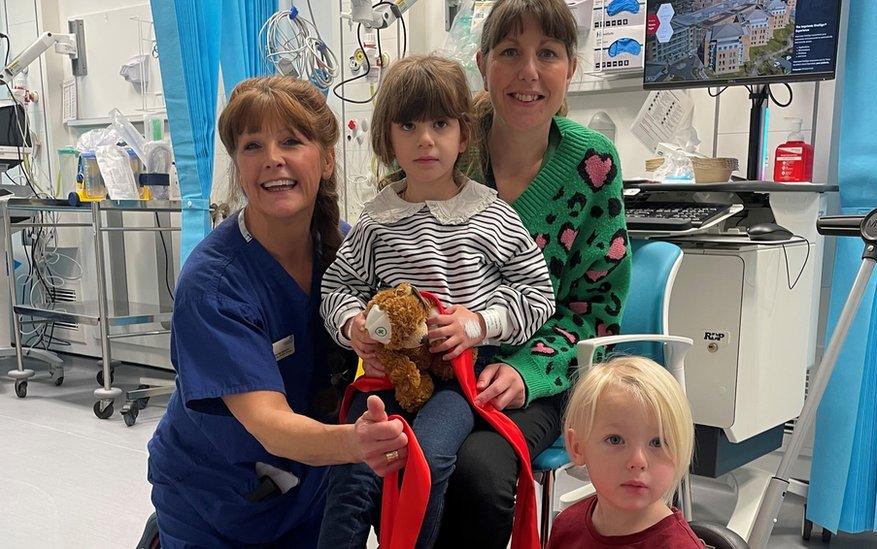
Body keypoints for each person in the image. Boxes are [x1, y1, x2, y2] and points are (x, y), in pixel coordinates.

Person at [146, 75, 409, 548]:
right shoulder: (214, 284)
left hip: (308, 488)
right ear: (237, 165)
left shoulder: (347, 252)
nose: (272, 158)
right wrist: (358, 443)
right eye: (252, 146)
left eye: (291, 141)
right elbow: (269, 424)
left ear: (327, 159)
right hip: (215, 502)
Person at [317, 54, 556, 549]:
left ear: (462, 137)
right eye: (409, 125)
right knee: (355, 466)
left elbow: (538, 294)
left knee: (427, 456)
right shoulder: (375, 221)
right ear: (387, 140)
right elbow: (336, 287)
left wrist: (479, 325)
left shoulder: (492, 214)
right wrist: (351, 324)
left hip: (456, 381)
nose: (426, 139)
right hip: (387, 375)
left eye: (441, 124)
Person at [436, 0, 632, 545]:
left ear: (570, 68)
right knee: (404, 460)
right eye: (509, 53)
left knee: (481, 471)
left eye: (547, 53)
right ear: (482, 63)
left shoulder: (594, 166)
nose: (528, 72)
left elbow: (594, 312)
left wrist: (528, 373)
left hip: (541, 371)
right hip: (442, 366)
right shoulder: (446, 148)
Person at [549, 356, 703, 548]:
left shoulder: (678, 546)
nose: (638, 461)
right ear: (577, 447)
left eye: (657, 442)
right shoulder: (566, 525)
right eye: (615, 440)